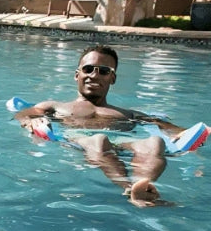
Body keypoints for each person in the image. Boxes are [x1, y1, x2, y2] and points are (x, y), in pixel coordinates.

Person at [13, 44, 192, 207]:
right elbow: (24, 114)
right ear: (77, 74)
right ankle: (129, 188)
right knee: (99, 140)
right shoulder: (56, 107)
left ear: (112, 78)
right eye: (88, 69)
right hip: (81, 140)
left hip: (123, 142)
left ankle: (143, 187)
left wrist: (182, 135)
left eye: (103, 71)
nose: (94, 75)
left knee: (155, 142)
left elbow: (172, 129)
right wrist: (31, 121)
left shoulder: (128, 114)